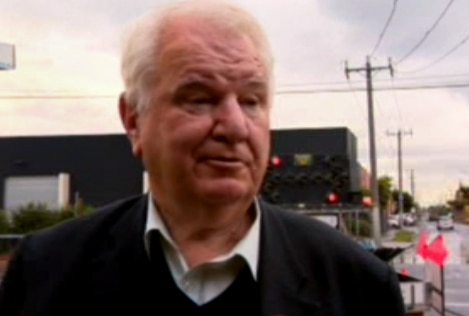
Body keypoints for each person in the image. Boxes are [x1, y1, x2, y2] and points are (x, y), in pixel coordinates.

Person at [0, 1, 406, 315]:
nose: (234, 126)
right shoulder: (45, 272)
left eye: (251, 100)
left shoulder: (359, 286)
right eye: (199, 99)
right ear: (133, 120)